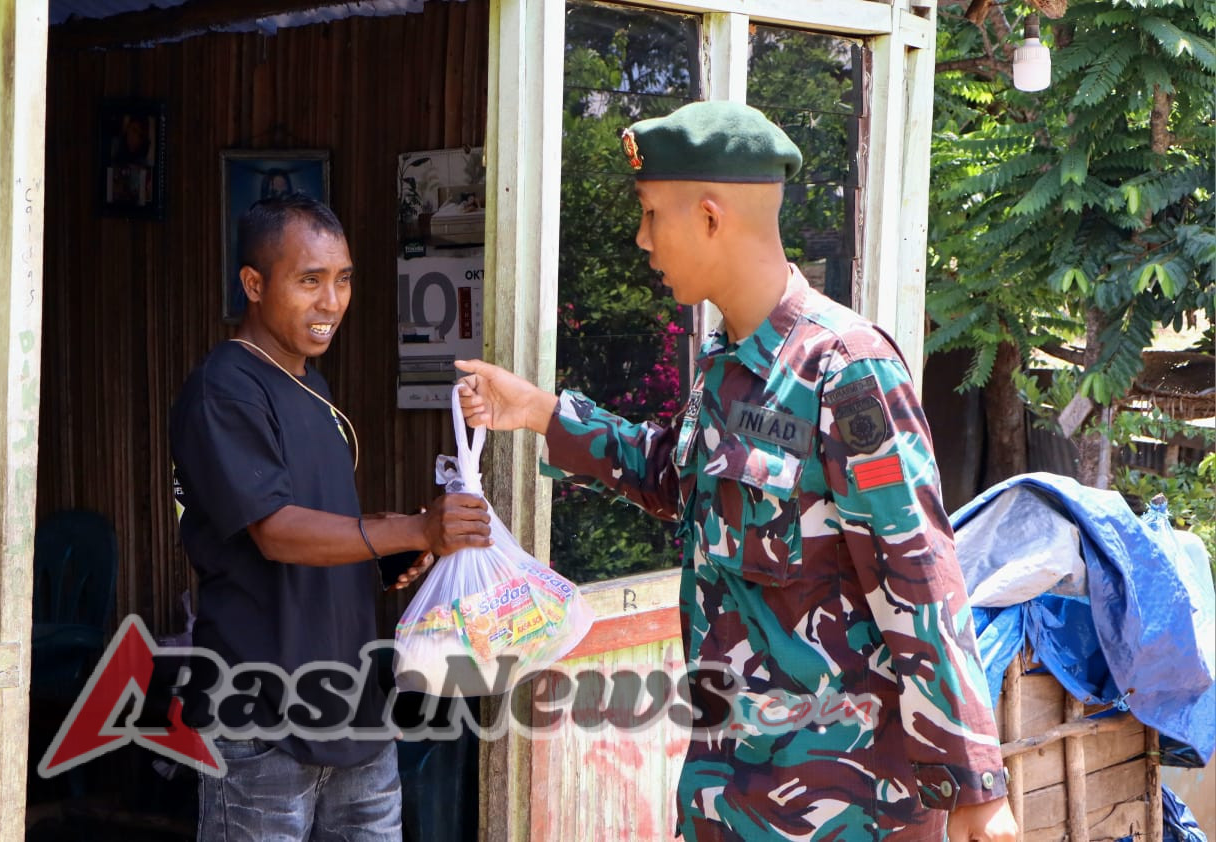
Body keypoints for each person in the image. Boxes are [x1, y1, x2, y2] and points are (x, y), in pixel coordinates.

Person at [456, 101, 1018, 841]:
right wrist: (539, 412)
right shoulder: (727, 369)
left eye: (653, 214)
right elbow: (677, 480)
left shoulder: (844, 370)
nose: (641, 238)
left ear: (711, 218)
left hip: (846, 806)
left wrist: (976, 788)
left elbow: (917, 574)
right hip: (728, 793)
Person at [170, 194, 492, 841]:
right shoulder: (224, 387)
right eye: (309, 280)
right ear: (254, 285)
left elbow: (324, 525)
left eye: (342, 279)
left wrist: (392, 555)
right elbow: (276, 531)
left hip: (355, 720)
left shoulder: (312, 390)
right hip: (261, 725)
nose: (331, 302)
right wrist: (413, 528)